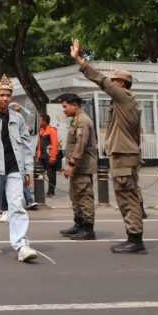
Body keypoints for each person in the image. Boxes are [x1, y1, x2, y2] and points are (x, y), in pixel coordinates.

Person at [72, 39, 146, 254]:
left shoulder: (125, 98)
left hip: (124, 156)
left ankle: (135, 239)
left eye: (114, 82)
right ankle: (134, 237)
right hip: (124, 154)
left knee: (127, 197)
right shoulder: (124, 103)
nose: (110, 86)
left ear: (120, 84)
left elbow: (102, 81)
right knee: (127, 196)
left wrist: (80, 62)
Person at [0, 76, 38, 262]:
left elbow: (26, 145)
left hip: (15, 167)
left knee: (17, 205)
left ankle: (22, 245)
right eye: (1, 95)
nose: (5, 98)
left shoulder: (18, 118)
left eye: (8, 95)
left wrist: (28, 170)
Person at [59, 93, 97, 241]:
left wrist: (72, 163)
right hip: (76, 167)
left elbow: (80, 145)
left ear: (74, 105)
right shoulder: (76, 120)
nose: (64, 110)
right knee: (75, 197)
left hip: (82, 167)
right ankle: (79, 224)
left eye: (65, 106)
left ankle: (88, 229)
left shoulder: (83, 121)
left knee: (84, 196)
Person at [35, 113, 60, 198]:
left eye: (40, 121)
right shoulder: (41, 130)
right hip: (41, 156)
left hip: (49, 157)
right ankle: (39, 190)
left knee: (51, 175)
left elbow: (54, 144)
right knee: (38, 173)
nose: (39, 122)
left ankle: (51, 192)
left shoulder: (52, 130)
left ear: (45, 122)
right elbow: (39, 144)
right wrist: (37, 154)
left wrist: (53, 157)